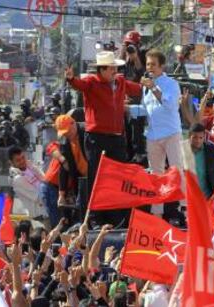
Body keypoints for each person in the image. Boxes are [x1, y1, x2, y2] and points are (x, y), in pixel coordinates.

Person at [65, 51, 142, 226]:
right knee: (97, 177)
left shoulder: (120, 81)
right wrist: (70, 79)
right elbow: (79, 84)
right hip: (97, 138)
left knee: (117, 176)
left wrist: (149, 83)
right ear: (103, 69)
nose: (115, 70)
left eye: (116, 67)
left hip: (117, 138)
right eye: (112, 67)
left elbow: (137, 88)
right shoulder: (92, 82)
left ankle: (116, 216)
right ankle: (95, 218)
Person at [128, 49, 182, 216]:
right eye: (148, 64)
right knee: (156, 174)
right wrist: (127, 108)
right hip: (153, 135)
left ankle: (182, 209)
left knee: (176, 171)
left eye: (153, 64)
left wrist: (154, 88)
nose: (149, 67)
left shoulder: (171, 84)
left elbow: (170, 105)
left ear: (162, 66)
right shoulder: (146, 87)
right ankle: (156, 211)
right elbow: (146, 109)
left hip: (171, 133)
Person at [120, 30, 147, 164]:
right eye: (127, 44)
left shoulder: (142, 55)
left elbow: (142, 73)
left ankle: (139, 157)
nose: (129, 47)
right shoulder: (123, 58)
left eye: (131, 45)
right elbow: (118, 75)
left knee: (137, 132)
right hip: (124, 99)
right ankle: (127, 156)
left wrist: (135, 57)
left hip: (138, 99)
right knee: (125, 131)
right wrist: (123, 53)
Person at [8, 146, 48, 223]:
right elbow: (38, 197)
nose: (22, 161)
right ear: (12, 162)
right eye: (18, 160)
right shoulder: (17, 179)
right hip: (41, 215)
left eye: (23, 157)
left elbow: (44, 179)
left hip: (47, 208)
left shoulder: (30, 166)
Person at [189, 123, 214, 197]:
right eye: (195, 137)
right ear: (189, 136)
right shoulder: (182, 150)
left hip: (206, 196)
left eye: (200, 138)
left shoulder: (212, 150)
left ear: (204, 137)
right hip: (188, 197)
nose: (198, 140)